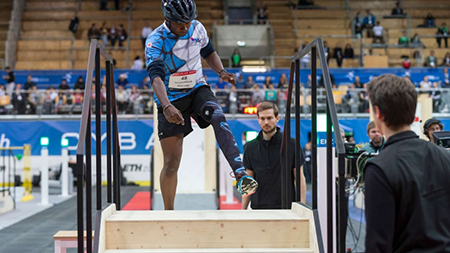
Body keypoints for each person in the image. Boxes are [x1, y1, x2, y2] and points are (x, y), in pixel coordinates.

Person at [145, 0, 258, 210]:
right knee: (171, 163)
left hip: (197, 88)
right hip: (170, 99)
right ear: (168, 19)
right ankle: (168, 213)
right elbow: (156, 78)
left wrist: (221, 72)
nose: (185, 27)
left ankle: (240, 174)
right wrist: (167, 105)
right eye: (180, 23)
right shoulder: (155, 40)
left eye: (188, 22)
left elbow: (208, 52)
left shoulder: (197, 28)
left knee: (217, 116)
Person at [364, 74, 450, 252]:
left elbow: (378, 245)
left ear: (378, 113)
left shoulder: (379, 169)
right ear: (412, 114)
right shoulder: (445, 157)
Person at [242, 102, 306, 209]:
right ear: (258, 119)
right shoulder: (250, 147)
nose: (266, 122)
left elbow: (299, 178)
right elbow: (249, 181)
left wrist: (302, 207)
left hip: (286, 207)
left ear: (277, 118)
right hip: (259, 208)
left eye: (269, 118)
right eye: (262, 118)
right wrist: (242, 211)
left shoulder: (292, 145)